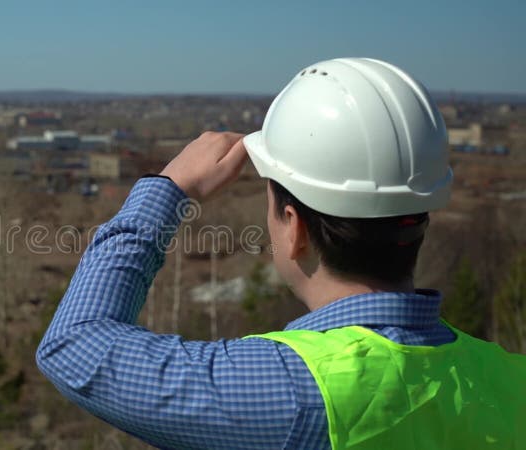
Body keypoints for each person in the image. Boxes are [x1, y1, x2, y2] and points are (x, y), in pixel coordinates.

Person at [36, 58, 526, 449]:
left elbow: (74, 344)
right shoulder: (508, 380)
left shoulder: (290, 394)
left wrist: (167, 191)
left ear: (294, 230)